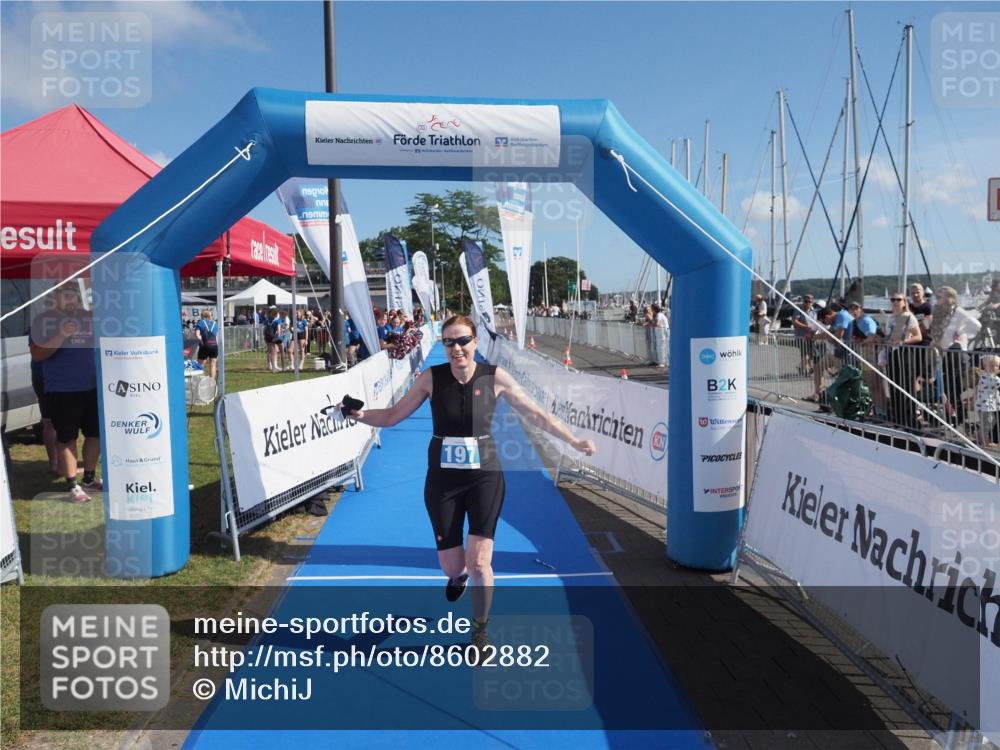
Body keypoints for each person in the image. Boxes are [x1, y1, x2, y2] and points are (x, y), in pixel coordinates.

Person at [343, 315, 597, 649]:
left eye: (463, 340)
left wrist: (574, 441)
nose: (456, 348)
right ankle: (458, 577)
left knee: (480, 561)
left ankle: (480, 631)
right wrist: (358, 415)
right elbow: (391, 416)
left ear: (475, 341)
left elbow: (537, 414)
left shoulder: (495, 377)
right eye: (449, 342)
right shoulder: (431, 379)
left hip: (485, 477)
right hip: (443, 482)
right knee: (452, 566)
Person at [29, 286, 103, 503]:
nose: (72, 300)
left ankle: (89, 477)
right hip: (62, 389)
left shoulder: (88, 317)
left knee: (95, 434)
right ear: (55, 298)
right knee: (67, 436)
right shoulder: (44, 321)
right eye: (67, 296)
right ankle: (72, 484)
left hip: (91, 387)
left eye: (75, 296)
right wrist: (62, 334)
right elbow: (37, 354)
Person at [931, 287, 981, 426]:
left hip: (957, 353)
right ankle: (960, 416)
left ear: (949, 297)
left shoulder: (957, 311)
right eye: (937, 296)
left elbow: (976, 324)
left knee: (954, 387)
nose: (937, 299)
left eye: (940, 296)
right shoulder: (942, 313)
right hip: (946, 354)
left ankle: (961, 418)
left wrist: (962, 334)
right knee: (948, 387)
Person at [883, 293, 923, 429]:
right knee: (894, 387)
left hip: (905, 354)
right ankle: (898, 420)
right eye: (893, 299)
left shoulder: (909, 317)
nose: (895, 302)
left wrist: (903, 341)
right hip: (892, 354)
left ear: (904, 302)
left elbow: (918, 336)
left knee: (906, 388)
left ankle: (911, 421)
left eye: (898, 300)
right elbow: (887, 337)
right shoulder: (891, 318)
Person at [974, 354, 1000, 447]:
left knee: (991, 422)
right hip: (985, 405)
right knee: (987, 423)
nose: (994, 368)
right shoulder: (988, 376)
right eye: (991, 365)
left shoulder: (987, 375)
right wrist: (996, 374)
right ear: (985, 366)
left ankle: (979, 434)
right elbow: (996, 384)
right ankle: (984, 441)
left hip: (989, 404)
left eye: (996, 365)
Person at [791, 295, 817, 374]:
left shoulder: (814, 312)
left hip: (811, 336)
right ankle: (807, 369)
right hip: (801, 336)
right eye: (806, 301)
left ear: (812, 302)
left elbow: (815, 323)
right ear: (803, 301)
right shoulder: (799, 310)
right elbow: (795, 321)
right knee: (805, 354)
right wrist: (805, 326)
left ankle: (802, 367)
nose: (807, 303)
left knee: (810, 354)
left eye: (810, 302)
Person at [194, 309, 220, 380]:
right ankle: (212, 382)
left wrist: (201, 341)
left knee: (200, 364)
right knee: (213, 364)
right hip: (214, 346)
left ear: (202, 315)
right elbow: (216, 336)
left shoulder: (200, 323)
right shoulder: (215, 324)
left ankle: (199, 381)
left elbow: (197, 335)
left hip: (204, 345)